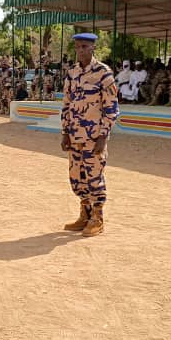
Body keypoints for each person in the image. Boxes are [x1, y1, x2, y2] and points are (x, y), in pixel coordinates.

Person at [61, 33, 119, 238]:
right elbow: (67, 104)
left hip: (94, 136)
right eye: (77, 47)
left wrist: (103, 136)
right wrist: (65, 132)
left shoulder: (103, 73)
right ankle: (85, 214)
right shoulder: (72, 73)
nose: (80, 50)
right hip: (75, 135)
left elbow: (111, 108)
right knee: (76, 177)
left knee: (94, 176)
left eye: (84, 46)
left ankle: (98, 217)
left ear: (93, 48)